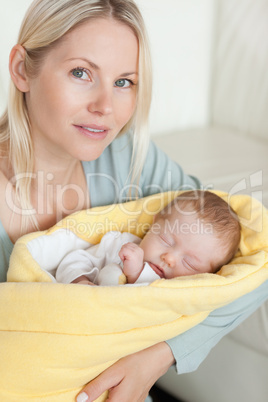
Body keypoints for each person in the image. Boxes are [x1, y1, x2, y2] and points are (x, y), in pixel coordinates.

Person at [0, 1, 267, 401]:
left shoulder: (128, 159)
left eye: (124, 82)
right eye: (81, 73)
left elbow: (253, 253)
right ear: (23, 69)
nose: (105, 107)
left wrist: (159, 356)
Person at [56, 190, 241, 286]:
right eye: (166, 240)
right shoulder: (119, 245)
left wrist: (137, 274)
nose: (169, 259)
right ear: (155, 223)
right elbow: (73, 260)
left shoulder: (181, 293)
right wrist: (80, 281)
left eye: (190, 264)